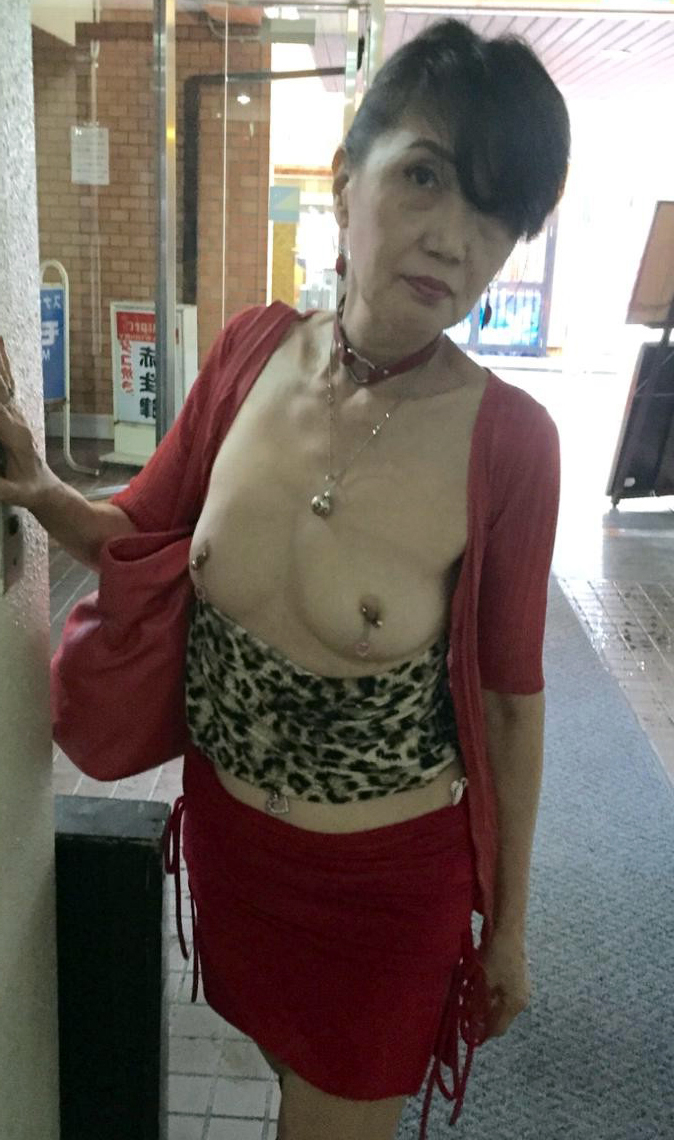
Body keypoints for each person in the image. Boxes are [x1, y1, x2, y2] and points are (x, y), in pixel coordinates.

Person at [0, 17, 570, 1140]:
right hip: (232, 855)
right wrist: (37, 484)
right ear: (345, 178)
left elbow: (510, 702)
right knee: (282, 1082)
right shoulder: (248, 354)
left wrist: (506, 927)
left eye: (494, 216)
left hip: (381, 894)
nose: (454, 240)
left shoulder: (509, 443)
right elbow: (135, 532)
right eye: (424, 176)